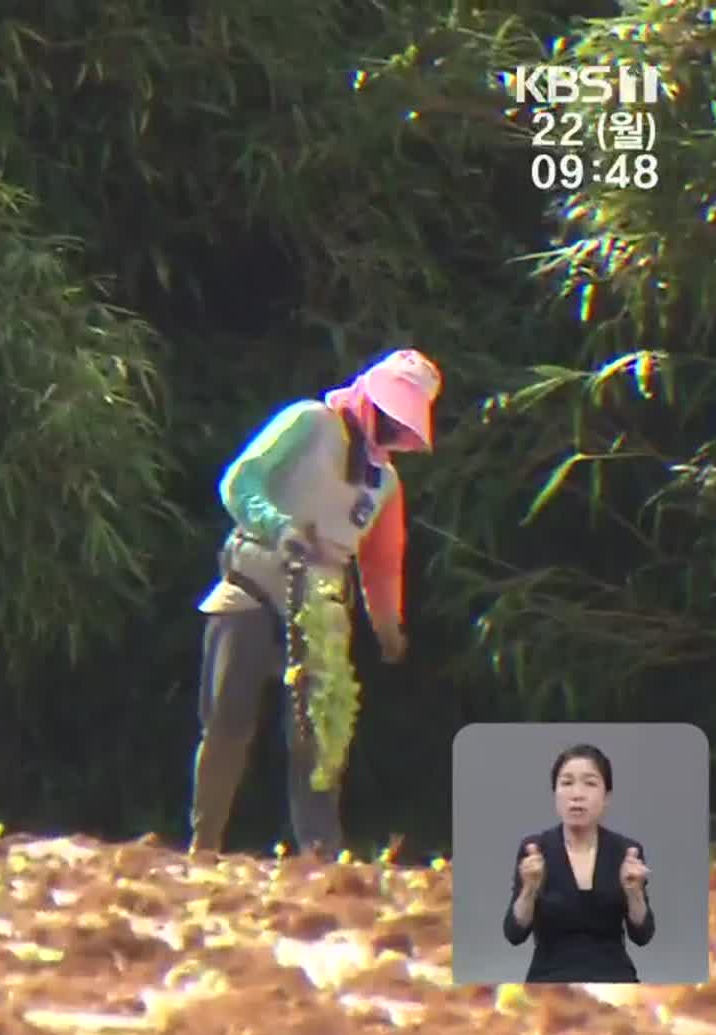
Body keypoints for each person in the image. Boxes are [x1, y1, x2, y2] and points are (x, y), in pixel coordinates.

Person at [187, 348, 443, 855]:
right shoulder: (308, 422)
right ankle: (205, 842)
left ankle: (321, 854)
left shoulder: (384, 484)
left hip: (322, 606)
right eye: (388, 416)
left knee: (321, 734)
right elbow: (242, 480)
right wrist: (279, 526)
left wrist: (388, 629)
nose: (392, 430)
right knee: (228, 719)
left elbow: (381, 564)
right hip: (255, 581)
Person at [503, 743, 655, 982]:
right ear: (555, 793)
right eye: (567, 783)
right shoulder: (535, 850)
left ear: (606, 797)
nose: (577, 794)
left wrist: (634, 892)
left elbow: (643, 935)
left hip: (615, 979)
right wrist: (529, 889)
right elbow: (514, 933)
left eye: (590, 783)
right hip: (549, 980)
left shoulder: (625, 851)